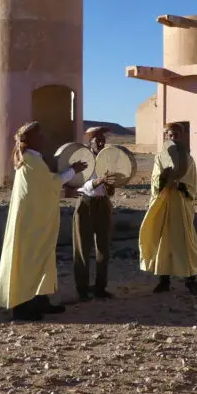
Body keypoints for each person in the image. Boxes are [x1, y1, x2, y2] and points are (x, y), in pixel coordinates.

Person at [0, 121, 88, 321]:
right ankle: (22, 305)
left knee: (42, 258)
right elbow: (49, 184)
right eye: (40, 135)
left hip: (36, 220)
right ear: (29, 139)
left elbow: (42, 189)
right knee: (31, 260)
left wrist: (63, 191)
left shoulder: (33, 160)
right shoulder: (31, 161)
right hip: (32, 223)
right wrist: (72, 171)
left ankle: (40, 300)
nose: (44, 137)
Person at [138, 122, 197, 295]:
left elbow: (192, 183)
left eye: (175, 135)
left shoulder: (188, 159)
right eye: (169, 135)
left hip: (180, 205)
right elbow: (155, 180)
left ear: (181, 137)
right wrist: (164, 180)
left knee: (185, 242)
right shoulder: (160, 157)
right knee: (163, 241)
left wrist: (180, 185)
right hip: (165, 203)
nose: (172, 138)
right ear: (165, 136)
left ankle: (191, 279)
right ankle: (163, 279)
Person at [73, 126, 120, 302]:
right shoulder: (83, 159)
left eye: (102, 140)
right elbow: (79, 183)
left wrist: (110, 185)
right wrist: (98, 181)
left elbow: (110, 189)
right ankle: (82, 290)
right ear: (90, 142)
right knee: (82, 248)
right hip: (85, 203)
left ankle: (100, 287)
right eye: (97, 140)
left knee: (103, 249)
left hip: (103, 204)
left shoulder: (107, 161)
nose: (100, 143)